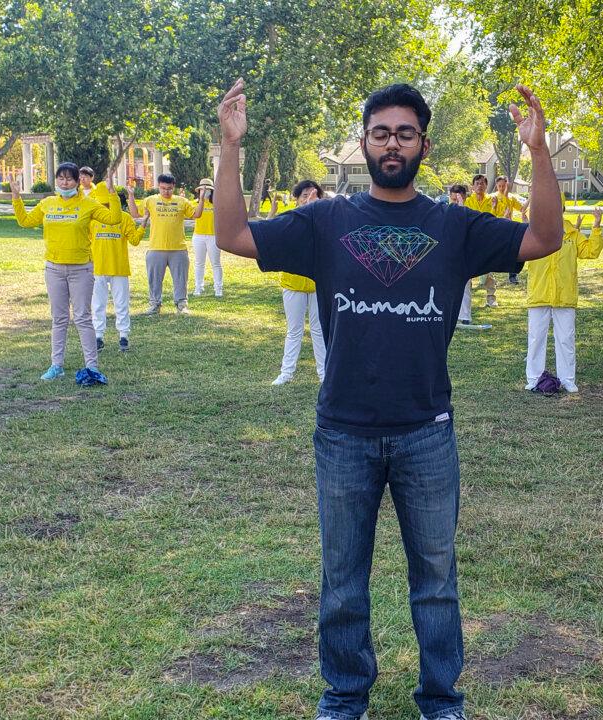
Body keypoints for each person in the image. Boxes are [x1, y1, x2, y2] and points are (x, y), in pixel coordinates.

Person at [213, 77, 563, 720]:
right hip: (343, 432)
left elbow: (544, 239)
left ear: (424, 145)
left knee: (436, 580)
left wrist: (539, 152)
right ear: (365, 142)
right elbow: (233, 235)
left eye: (405, 133)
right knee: (343, 582)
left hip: (426, 431)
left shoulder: (452, 226)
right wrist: (230, 146)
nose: (392, 144)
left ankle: (441, 698)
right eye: (381, 133)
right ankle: (345, 695)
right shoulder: (326, 222)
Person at [12, 162, 122, 383]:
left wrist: (113, 194)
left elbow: (114, 219)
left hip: (81, 269)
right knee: (59, 318)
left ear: (77, 181)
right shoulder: (48, 203)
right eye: (61, 178)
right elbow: (25, 221)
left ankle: (91, 366)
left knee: (83, 318)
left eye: (69, 179)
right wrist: (16, 197)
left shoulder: (88, 204)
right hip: (54, 269)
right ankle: (56, 366)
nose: (64, 183)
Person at [524, 208, 603, 393]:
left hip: (565, 295)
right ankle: (534, 378)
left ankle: (567, 379)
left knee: (566, 338)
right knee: (536, 338)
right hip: (539, 293)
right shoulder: (534, 232)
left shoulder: (572, 234)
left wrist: (597, 226)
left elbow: (591, 251)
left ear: (561, 210)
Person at [270, 179, 327, 386]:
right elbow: (273, 234)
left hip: (318, 283)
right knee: (294, 330)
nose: (309, 199)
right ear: (296, 198)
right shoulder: (291, 218)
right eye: (305, 196)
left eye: (314, 195)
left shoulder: (325, 219)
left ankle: (324, 374)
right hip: (293, 283)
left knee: (319, 330)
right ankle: (286, 373)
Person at [128, 172, 196, 315]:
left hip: (178, 248)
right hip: (156, 247)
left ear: (174, 187)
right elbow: (135, 213)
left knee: (180, 279)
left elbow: (195, 215)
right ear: (158, 186)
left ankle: (181, 304)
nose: (166, 191)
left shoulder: (182, 201)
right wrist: (131, 196)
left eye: (169, 188)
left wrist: (201, 198)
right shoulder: (150, 200)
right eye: (163, 188)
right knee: (154, 279)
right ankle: (154, 304)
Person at [91, 187, 144, 352]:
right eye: (102, 204)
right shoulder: (92, 219)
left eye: (108, 204)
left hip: (119, 268)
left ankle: (123, 336)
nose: (105, 207)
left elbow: (134, 240)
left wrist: (142, 226)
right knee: (97, 304)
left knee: (121, 304)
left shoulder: (124, 218)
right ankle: (98, 336)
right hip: (97, 268)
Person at [447, 184, 486, 330]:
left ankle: (465, 316)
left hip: (464, 253)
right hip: (448, 253)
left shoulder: (469, 212)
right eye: (452, 199)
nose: (454, 202)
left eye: (457, 199)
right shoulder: (445, 211)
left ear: (463, 197)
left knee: (465, 286)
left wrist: (461, 205)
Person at [464, 174, 499, 307]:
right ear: (473, 186)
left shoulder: (492, 200)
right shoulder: (468, 201)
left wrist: (494, 207)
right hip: (471, 240)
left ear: (486, 186)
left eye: (482, 183)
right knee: (467, 271)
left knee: (488, 270)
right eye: (477, 183)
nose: (480, 186)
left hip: (486, 240)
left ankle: (491, 298)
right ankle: (466, 300)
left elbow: (495, 219)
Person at [191, 178, 223, 297]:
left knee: (216, 263)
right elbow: (194, 216)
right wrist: (201, 200)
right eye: (202, 190)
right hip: (198, 236)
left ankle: (218, 288)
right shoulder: (195, 204)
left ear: (212, 191)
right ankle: (198, 287)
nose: (205, 192)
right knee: (199, 263)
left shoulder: (217, 204)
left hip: (213, 237)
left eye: (207, 190)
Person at [492, 176, 523, 284]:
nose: (501, 188)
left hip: (509, 228)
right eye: (499, 186)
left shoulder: (511, 198)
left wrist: (531, 198)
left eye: (504, 186)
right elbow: (491, 214)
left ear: (507, 185)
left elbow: (522, 208)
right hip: (496, 228)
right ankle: (489, 277)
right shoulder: (493, 197)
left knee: (513, 251)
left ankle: (512, 275)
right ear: (496, 186)